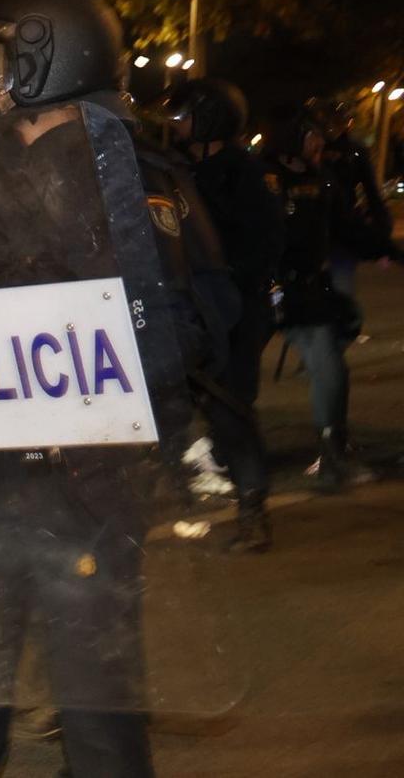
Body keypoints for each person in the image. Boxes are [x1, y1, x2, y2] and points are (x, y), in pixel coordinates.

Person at [0, 0, 231, 778]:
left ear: (43, 59)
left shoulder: (133, 182)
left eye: (2, 58)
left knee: (97, 714)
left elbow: (186, 329)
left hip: (86, 492)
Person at [161, 78, 282, 551]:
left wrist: (228, 290)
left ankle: (254, 513)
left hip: (234, 313)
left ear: (211, 117)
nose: (177, 124)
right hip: (200, 311)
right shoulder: (185, 170)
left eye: (185, 114)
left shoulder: (241, 173)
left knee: (232, 410)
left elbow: (264, 244)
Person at [263, 109, 369, 492]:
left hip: (309, 289)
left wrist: (384, 246)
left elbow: (347, 227)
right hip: (266, 289)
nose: (319, 142)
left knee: (330, 364)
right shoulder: (261, 178)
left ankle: (332, 445)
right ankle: (221, 447)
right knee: (229, 369)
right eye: (310, 135)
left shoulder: (323, 180)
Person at [309, 98, 399, 337]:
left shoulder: (355, 152)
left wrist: (381, 226)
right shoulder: (310, 149)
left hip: (342, 229)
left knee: (342, 293)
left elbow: (371, 191)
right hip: (313, 229)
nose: (330, 128)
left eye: (336, 122)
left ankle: (339, 334)